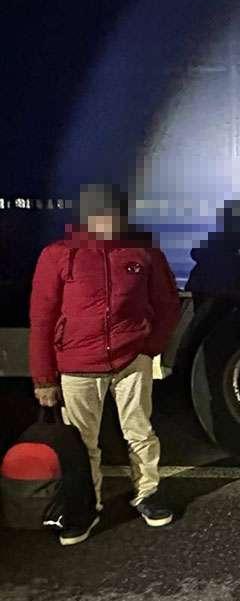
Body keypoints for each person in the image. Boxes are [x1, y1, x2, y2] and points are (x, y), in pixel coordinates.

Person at [28, 183, 181, 544]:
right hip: (77, 364)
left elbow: (168, 304)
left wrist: (148, 349)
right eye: (99, 215)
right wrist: (44, 379)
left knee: (140, 431)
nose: (107, 222)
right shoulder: (58, 255)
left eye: (114, 214)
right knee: (82, 443)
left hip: (131, 360)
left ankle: (148, 492)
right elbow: (42, 319)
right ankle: (86, 506)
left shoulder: (143, 253)